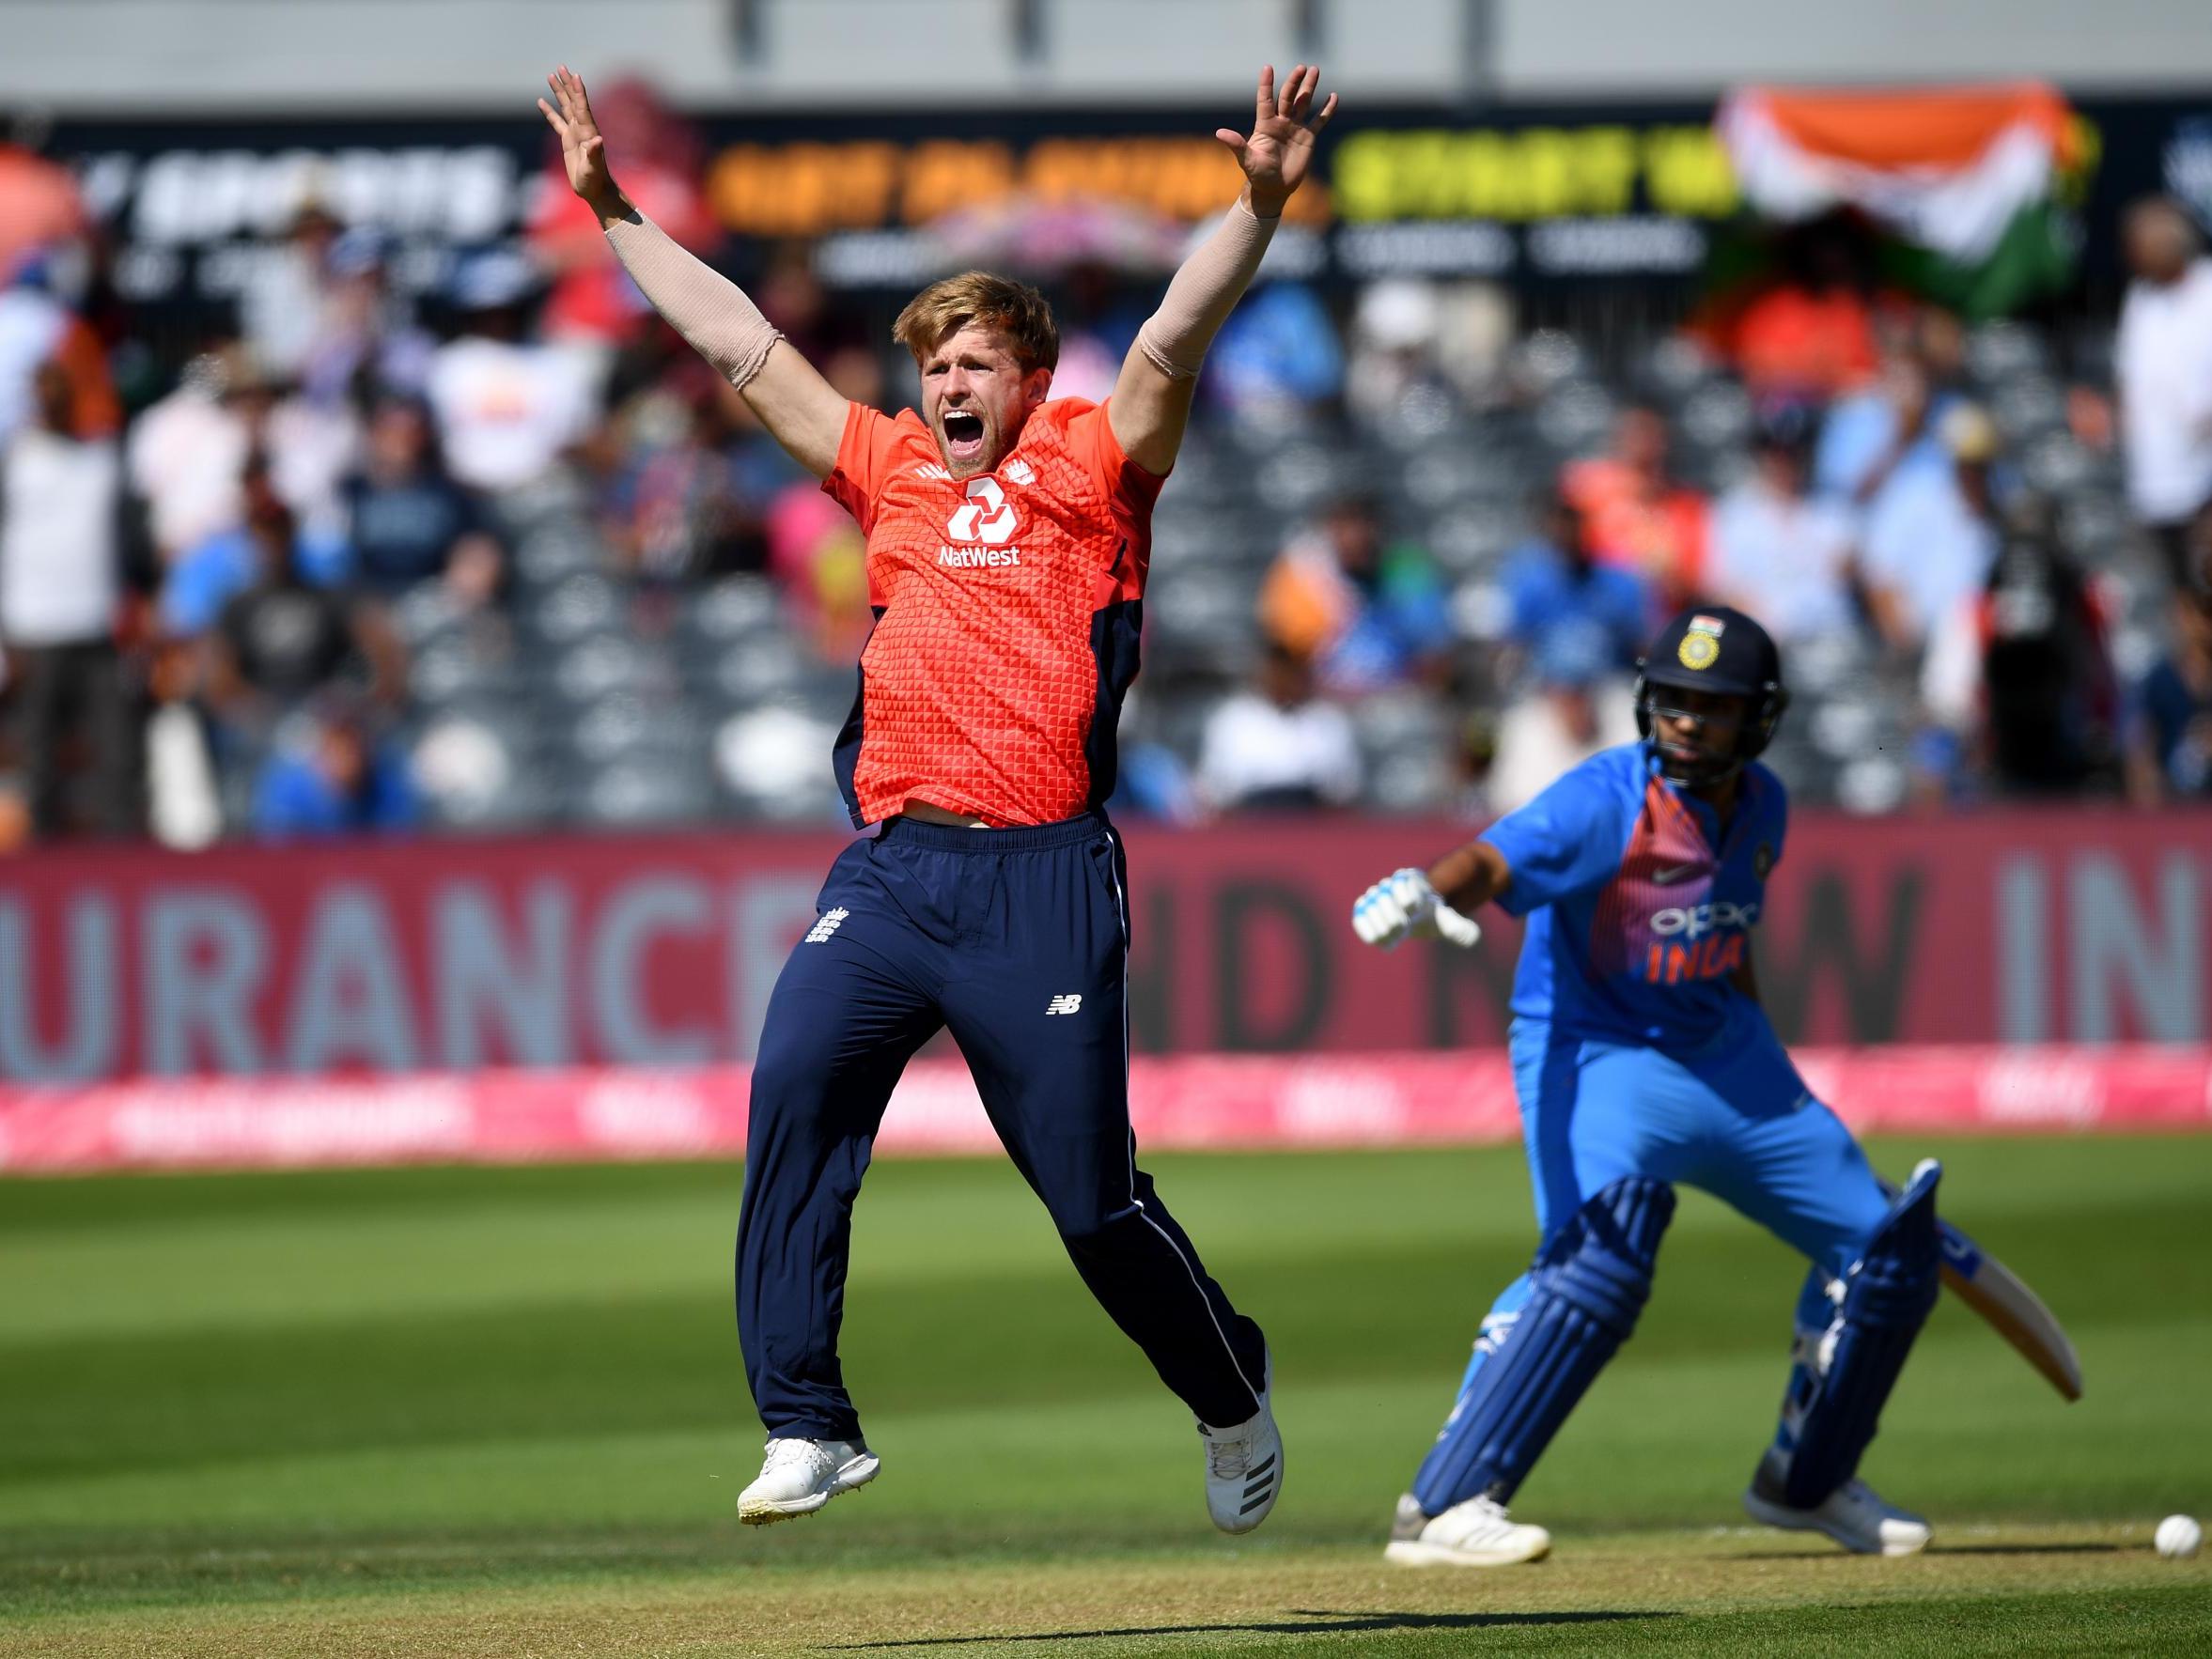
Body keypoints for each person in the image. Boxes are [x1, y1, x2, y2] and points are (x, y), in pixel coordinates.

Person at [539, 59, 1336, 1531]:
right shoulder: (889, 467)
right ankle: (806, 1417)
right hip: (895, 871)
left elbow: (1175, 332)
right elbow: (740, 345)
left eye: (969, 364)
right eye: (931, 367)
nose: (943, 387)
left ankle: (1227, 1388)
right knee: (793, 1086)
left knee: (1090, 1203)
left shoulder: (1099, 461)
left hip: (1041, 879)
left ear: (1027, 375)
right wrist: (614, 215)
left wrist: (1255, 201)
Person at [1350, 608, 1944, 1566]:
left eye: (1710, 708)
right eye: (1672, 701)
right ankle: (1450, 1501)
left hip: (1722, 1050)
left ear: (1756, 719)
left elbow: (1729, 936)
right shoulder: (1603, 798)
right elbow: (1491, 858)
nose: (1684, 723)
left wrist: (1770, 1072)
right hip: (1598, 1051)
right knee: (1601, 1253)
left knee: (1886, 1251)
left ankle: (1808, 1478)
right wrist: (1427, 890)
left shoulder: (1765, 807)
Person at [0, 359, 132, 836]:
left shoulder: (102, 460)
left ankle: (122, 864)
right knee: (39, 762)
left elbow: (128, 542)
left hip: (96, 629)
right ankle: (43, 872)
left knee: (116, 754)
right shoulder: (15, 460)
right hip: (33, 631)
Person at [1258, 490, 1452, 694]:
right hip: (1326, 702)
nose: (1356, 538)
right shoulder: (1303, 577)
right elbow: (1288, 662)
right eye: (1344, 528)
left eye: (1364, 526)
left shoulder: (1409, 570)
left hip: (1402, 698)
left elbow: (1435, 655)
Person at [2114, 198, 2212, 594]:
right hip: (2154, 482)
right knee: (2180, 598)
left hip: (2205, 481)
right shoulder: (2140, 298)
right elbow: (2128, 376)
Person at [1708, 404, 1860, 644]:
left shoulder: (1834, 511)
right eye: (1774, 451)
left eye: (1793, 452)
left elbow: (1845, 579)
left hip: (1828, 643)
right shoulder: (1733, 514)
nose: (1784, 462)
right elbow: (1724, 590)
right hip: (1760, 641)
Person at [1194, 640, 1362, 814]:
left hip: (1310, 817)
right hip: (1252, 818)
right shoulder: (1233, 719)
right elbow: (1216, 787)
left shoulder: (1325, 719)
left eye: (1290, 672)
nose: (1283, 680)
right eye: (1276, 672)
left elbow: (1343, 788)